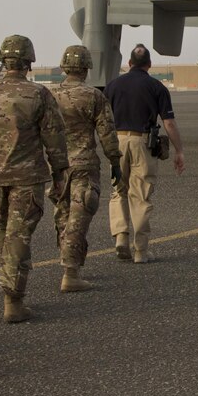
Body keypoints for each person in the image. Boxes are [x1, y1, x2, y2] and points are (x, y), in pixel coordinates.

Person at [0, 35, 69, 323]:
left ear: (3, 61)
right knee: (18, 235)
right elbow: (55, 138)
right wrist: (60, 175)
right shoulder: (38, 95)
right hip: (27, 177)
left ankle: (10, 293)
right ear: (28, 63)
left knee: (2, 233)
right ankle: (13, 300)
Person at [50, 45, 123, 292]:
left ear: (64, 67)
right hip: (84, 165)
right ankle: (71, 273)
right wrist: (115, 162)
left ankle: (70, 264)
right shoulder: (93, 96)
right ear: (86, 68)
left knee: (63, 215)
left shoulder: (49, 96)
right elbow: (107, 134)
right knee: (78, 218)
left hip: (57, 167)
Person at [103, 44, 185, 263]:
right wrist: (179, 151)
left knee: (118, 190)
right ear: (149, 65)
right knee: (140, 195)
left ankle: (121, 236)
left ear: (129, 63)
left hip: (117, 140)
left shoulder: (111, 86)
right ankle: (140, 250)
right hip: (142, 141)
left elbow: (103, 120)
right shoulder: (157, 87)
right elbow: (168, 122)